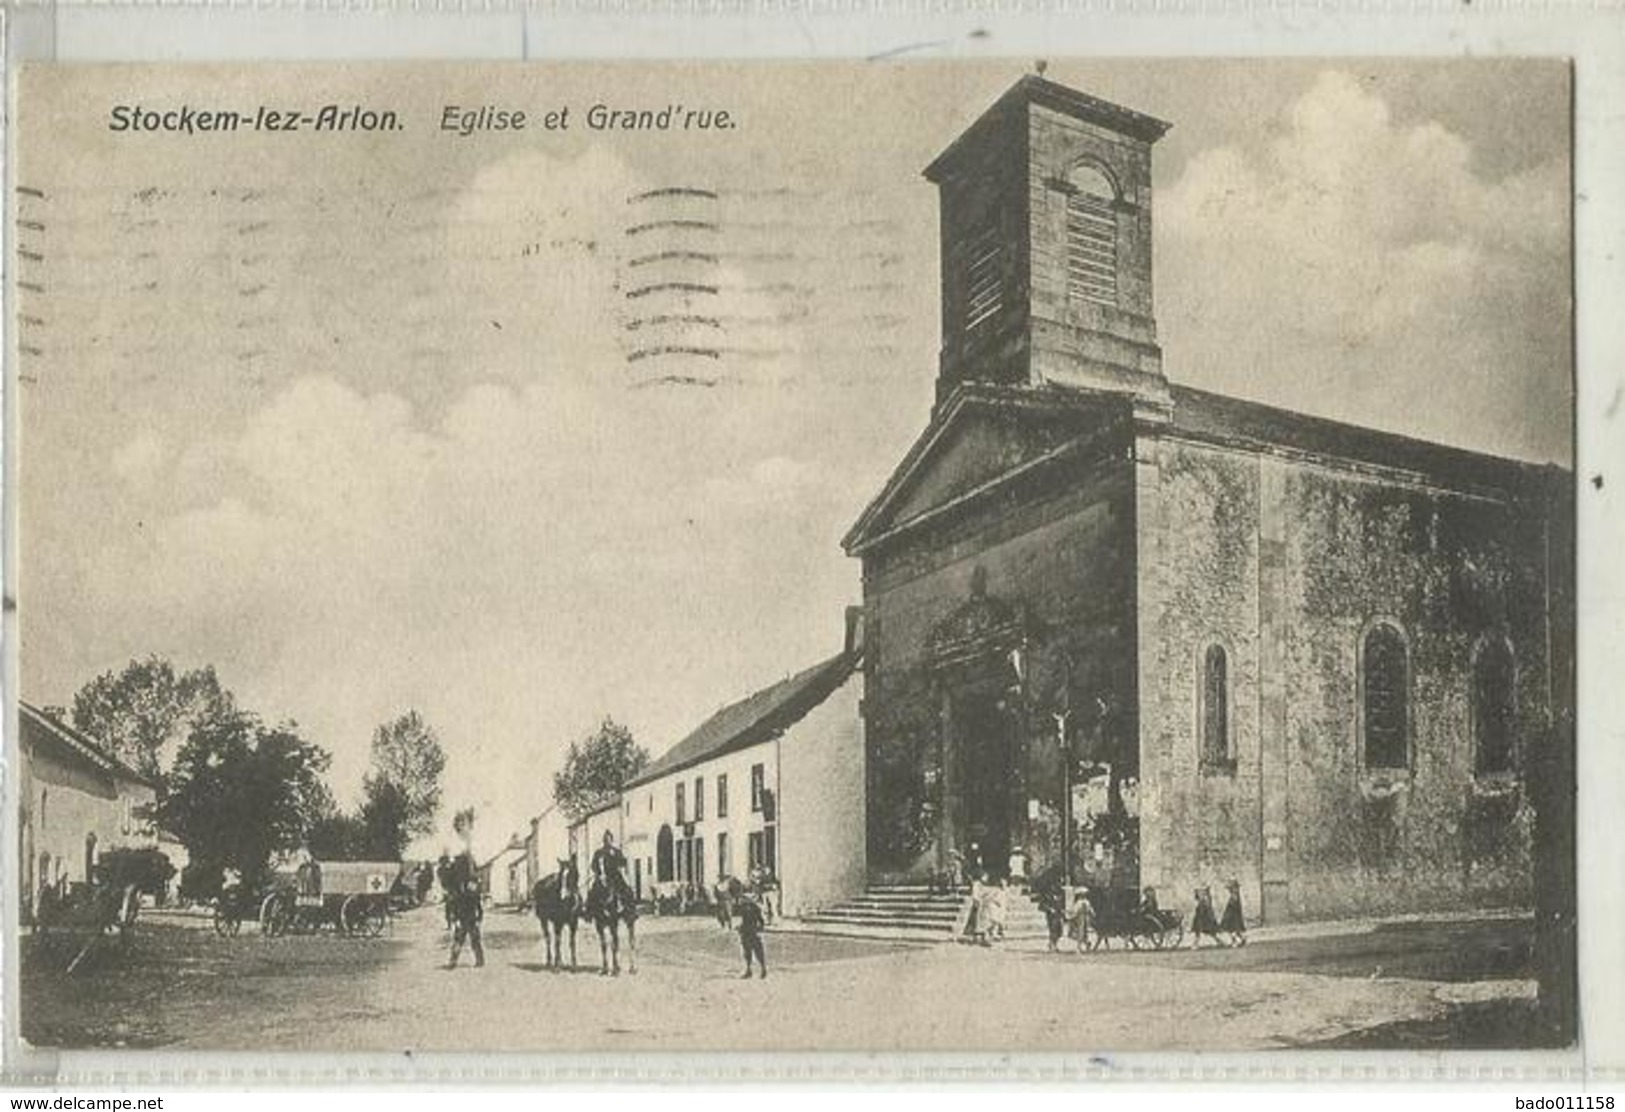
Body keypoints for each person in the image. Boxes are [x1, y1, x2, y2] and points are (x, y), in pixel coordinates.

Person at [445, 848, 484, 968]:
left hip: (465, 916)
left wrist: (454, 917)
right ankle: (478, 960)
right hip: (469, 916)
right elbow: (477, 902)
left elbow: (455, 903)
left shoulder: (458, 889)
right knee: (471, 939)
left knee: (462, 939)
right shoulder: (470, 886)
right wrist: (479, 916)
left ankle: (455, 961)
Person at [591, 831, 635, 909]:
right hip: (602, 875)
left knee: (626, 889)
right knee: (593, 891)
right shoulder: (599, 852)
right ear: (603, 841)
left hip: (615, 875)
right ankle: (591, 910)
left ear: (612, 840)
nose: (607, 842)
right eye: (605, 840)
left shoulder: (616, 851)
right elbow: (593, 865)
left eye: (609, 840)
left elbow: (622, 863)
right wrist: (598, 873)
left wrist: (622, 860)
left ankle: (628, 909)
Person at [736, 891, 767, 979]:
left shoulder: (755, 908)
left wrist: (759, 928)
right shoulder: (745, 908)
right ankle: (749, 970)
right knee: (748, 952)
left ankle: (762, 969)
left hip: (752, 932)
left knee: (757, 951)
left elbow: (761, 921)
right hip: (747, 931)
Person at [1220, 878, 1248, 947]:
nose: (1229, 889)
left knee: (1232, 930)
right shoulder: (1235, 895)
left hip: (1233, 916)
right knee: (1235, 930)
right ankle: (1242, 938)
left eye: (1231, 887)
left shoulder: (1235, 895)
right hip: (1233, 915)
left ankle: (1235, 941)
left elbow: (1233, 906)